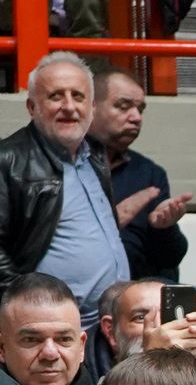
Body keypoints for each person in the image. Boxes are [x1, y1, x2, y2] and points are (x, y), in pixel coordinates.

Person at [0, 54, 128, 326]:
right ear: (32, 107)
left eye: (78, 96)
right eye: (56, 96)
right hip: (47, 331)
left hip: (109, 325)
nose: (69, 107)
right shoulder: (8, 161)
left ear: (92, 107)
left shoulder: (95, 157)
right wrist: (28, 308)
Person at [90, 70, 191, 283]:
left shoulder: (149, 172)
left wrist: (163, 228)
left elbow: (170, 258)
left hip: (138, 288)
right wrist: (111, 222)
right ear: (91, 107)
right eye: (123, 106)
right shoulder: (64, 166)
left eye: (140, 109)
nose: (136, 118)